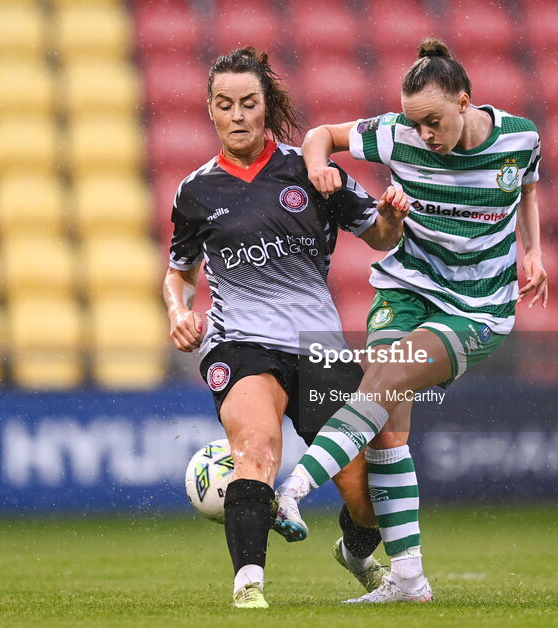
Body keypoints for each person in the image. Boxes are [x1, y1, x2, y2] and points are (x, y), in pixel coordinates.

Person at [273, 38, 549, 603]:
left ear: (465, 102)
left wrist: (534, 251)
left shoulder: (520, 136)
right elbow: (318, 135)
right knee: (387, 432)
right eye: (415, 122)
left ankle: (293, 488)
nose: (424, 133)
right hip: (406, 290)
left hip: (477, 308)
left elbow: (526, 186)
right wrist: (321, 167)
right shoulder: (397, 132)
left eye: (434, 121)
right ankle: (408, 581)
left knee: (386, 377)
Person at [162, 48, 411, 609]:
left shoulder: (309, 169)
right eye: (224, 105)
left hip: (316, 345)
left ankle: (354, 550)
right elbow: (178, 276)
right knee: (256, 447)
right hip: (239, 342)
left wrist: (392, 217)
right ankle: (248, 587)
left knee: (364, 492)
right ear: (210, 110)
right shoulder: (196, 191)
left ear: (266, 105)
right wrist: (179, 313)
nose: (238, 115)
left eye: (249, 103)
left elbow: (379, 235)